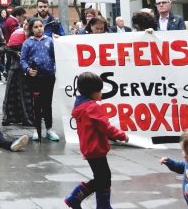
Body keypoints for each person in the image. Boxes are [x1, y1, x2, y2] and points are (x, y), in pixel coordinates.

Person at [64, 72, 129, 208]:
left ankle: (82, 200)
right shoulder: (92, 107)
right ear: (91, 93)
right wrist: (122, 135)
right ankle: (80, 199)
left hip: (89, 147)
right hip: (96, 148)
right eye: (99, 91)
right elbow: (105, 126)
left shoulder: (81, 105)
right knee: (104, 178)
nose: (101, 94)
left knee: (102, 178)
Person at [20, 18, 59, 141]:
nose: (39, 29)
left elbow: (56, 56)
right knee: (36, 104)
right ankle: (36, 129)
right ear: (31, 29)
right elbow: (23, 60)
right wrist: (27, 69)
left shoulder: (50, 41)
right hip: (35, 78)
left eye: (40, 26)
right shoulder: (27, 43)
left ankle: (49, 129)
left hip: (49, 76)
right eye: (36, 27)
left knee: (48, 104)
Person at [1, 17, 34, 127]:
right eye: (24, 23)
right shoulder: (17, 34)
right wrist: (15, 53)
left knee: (25, 95)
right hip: (14, 68)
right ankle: (10, 117)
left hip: (27, 70)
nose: (25, 25)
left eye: (27, 24)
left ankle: (27, 118)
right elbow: (7, 48)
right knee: (11, 94)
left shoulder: (35, 38)